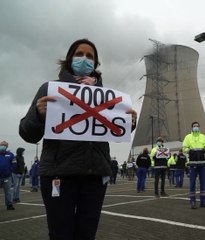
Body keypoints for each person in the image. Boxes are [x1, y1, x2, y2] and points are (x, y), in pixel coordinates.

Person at [19, 39, 137, 240]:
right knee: (60, 234)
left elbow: (115, 135)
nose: (84, 59)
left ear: (96, 64)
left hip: (95, 175)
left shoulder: (107, 97)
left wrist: (129, 123)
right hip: (59, 174)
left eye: (90, 56)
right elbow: (27, 133)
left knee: (86, 234)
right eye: (79, 54)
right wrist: (38, 116)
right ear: (69, 60)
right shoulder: (50, 89)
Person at [182, 121, 205, 209]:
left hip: (202, 163)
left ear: (199, 127)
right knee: (192, 183)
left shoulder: (203, 137)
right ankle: (192, 201)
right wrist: (190, 151)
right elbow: (184, 148)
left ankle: (203, 201)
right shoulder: (188, 137)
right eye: (194, 126)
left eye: (197, 126)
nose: (196, 127)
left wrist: (204, 150)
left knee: (202, 183)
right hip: (193, 163)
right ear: (192, 128)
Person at [0, 141, 16, 210]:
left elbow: (14, 164)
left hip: (7, 177)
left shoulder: (11, 154)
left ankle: (9, 205)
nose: (3, 146)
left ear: (6, 147)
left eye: (4, 145)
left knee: (8, 192)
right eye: (2, 145)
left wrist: (10, 170)